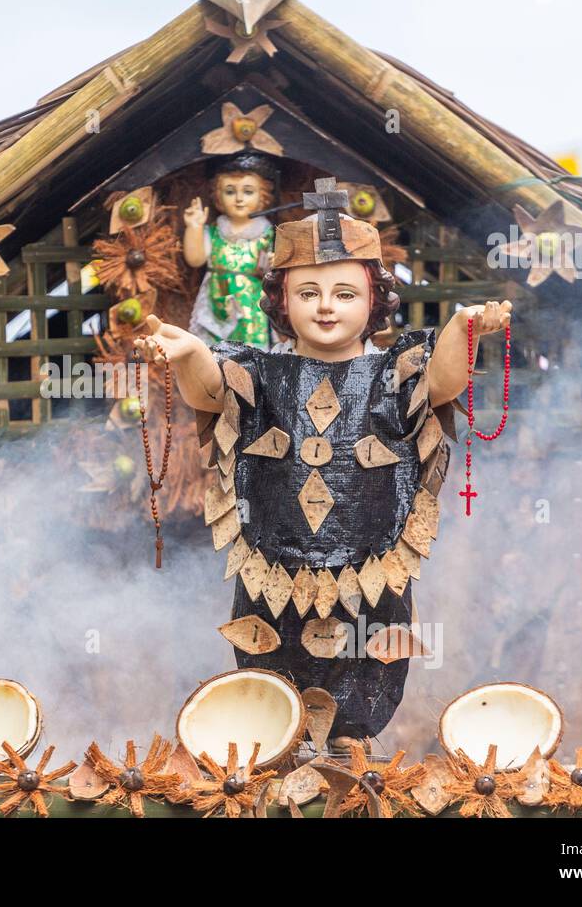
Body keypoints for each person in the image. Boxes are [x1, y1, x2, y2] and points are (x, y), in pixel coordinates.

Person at [136, 180, 511, 752]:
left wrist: (462, 328)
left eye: (344, 292)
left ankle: (351, 749)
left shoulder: (397, 371)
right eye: (309, 292)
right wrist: (188, 352)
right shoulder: (257, 371)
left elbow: (443, 382)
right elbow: (212, 393)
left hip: (373, 565)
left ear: (374, 300)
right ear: (282, 303)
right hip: (271, 564)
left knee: (364, 667)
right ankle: (278, 751)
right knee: (269, 680)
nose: (327, 305)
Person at [183, 152, 280, 348]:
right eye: (229, 191)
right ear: (217, 196)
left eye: (248, 191)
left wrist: (275, 265)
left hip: (252, 305)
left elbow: (278, 270)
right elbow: (195, 259)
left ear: (263, 197)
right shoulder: (215, 232)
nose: (239, 199)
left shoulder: (268, 233)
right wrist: (194, 227)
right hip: (217, 300)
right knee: (214, 349)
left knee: (251, 349)